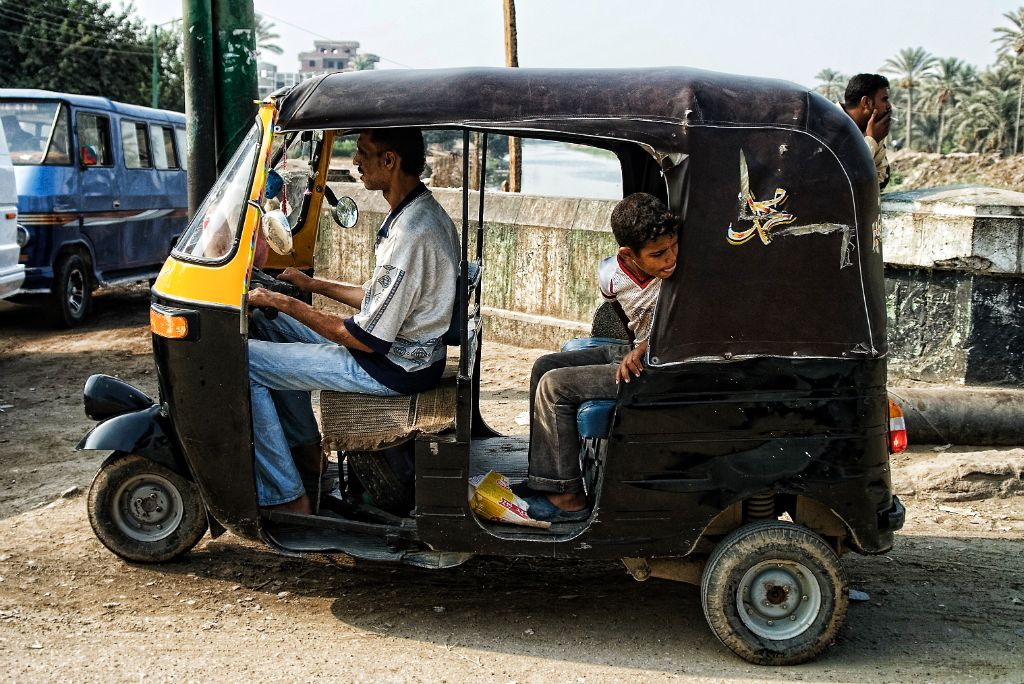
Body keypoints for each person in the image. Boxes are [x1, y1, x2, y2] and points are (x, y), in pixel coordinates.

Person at [247, 128, 460, 515]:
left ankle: (287, 498)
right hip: (402, 353)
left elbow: (363, 337)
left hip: (392, 366)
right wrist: (311, 285)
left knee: (243, 361)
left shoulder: (411, 234)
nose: (355, 162)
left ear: (389, 161)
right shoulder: (417, 212)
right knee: (268, 323)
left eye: (363, 153)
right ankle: (309, 456)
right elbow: (380, 298)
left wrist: (285, 301)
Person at [519, 192, 678, 522]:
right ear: (627, 254)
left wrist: (644, 349)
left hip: (663, 363)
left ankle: (568, 497)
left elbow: (690, 325)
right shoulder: (611, 275)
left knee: (555, 386)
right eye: (658, 254)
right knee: (544, 366)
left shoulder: (685, 271)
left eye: (673, 247)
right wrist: (634, 347)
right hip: (636, 351)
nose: (670, 259)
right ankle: (545, 481)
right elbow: (624, 314)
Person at [841, 73, 893, 189]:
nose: (889, 106)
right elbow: (844, 181)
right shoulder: (826, 127)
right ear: (866, 102)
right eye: (884, 100)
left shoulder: (871, 128)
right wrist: (871, 141)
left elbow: (881, 180)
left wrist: (874, 139)